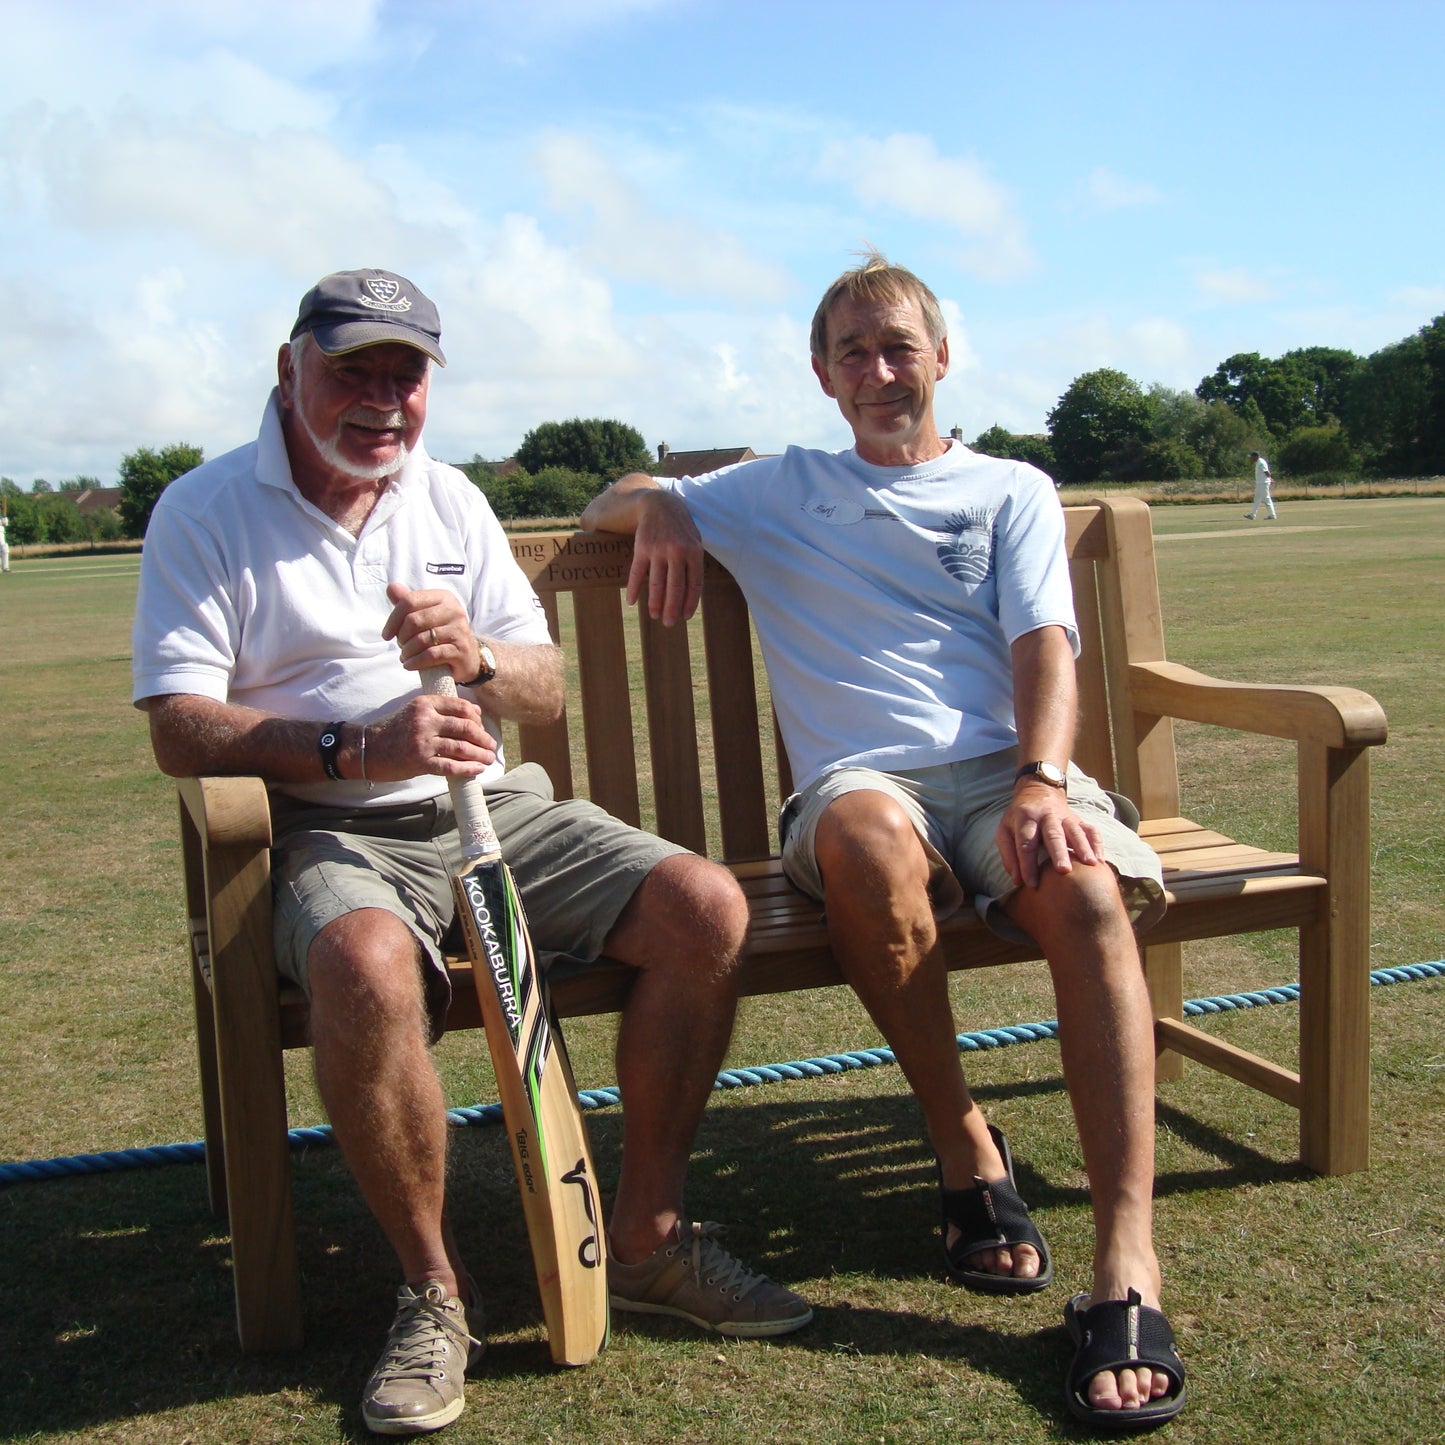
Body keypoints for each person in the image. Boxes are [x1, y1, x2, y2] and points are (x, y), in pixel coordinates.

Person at [132, 269, 811, 1438]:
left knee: (703, 908)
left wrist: (482, 660)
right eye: (353, 368)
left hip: (493, 809)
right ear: (288, 367)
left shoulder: (446, 499)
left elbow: (539, 687)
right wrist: (352, 742)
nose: (382, 398)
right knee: (366, 968)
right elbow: (179, 723)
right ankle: (434, 1288)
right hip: (325, 824)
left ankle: (646, 1235)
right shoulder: (203, 511)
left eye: (406, 374)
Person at [581, 252, 1187, 1428]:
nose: (878, 370)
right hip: (860, 790)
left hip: (1003, 776)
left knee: (1086, 890)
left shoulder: (1007, 486)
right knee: (860, 837)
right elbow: (616, 491)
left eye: (898, 346)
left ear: (941, 356)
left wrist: (1038, 781)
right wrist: (655, 497)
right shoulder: (774, 487)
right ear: (821, 374)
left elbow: (1041, 648)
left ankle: (1125, 1263)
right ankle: (963, 1143)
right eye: (852, 352)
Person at [1245, 451, 1276, 520]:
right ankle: (1252, 515)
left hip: (1263, 483)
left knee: (1266, 499)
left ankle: (1272, 515)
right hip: (1260, 483)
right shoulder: (1258, 462)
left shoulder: (1261, 462)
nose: (1251, 459)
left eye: (1251, 457)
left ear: (1255, 456)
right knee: (1257, 499)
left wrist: (1270, 479)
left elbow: (1266, 472)